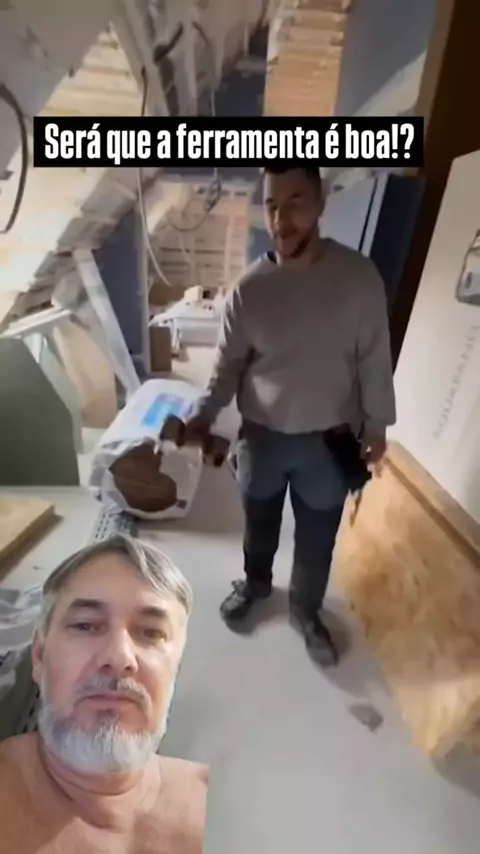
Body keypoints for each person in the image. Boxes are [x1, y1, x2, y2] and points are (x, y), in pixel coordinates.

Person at [184, 164, 396, 666]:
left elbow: (374, 357)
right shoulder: (249, 290)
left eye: (296, 202)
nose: (281, 220)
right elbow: (226, 368)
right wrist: (201, 417)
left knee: (317, 537)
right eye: (272, 205)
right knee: (259, 522)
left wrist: (378, 425)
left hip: (329, 441)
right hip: (262, 437)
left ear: (321, 203)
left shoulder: (358, 279)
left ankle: (305, 609)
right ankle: (256, 584)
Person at [0, 535, 208, 853]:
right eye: (86, 625)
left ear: (175, 670)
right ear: (39, 656)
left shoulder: (219, 805)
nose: (120, 657)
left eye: (151, 632)